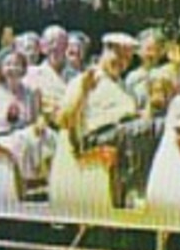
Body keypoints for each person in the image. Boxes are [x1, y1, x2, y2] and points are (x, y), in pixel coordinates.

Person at [57, 33, 162, 209]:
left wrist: (152, 104)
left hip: (125, 134)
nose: (122, 62)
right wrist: (82, 92)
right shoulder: (87, 79)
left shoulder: (124, 87)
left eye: (127, 58)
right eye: (118, 55)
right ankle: (134, 190)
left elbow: (140, 120)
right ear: (106, 51)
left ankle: (152, 188)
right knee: (145, 129)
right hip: (95, 138)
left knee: (162, 126)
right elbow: (63, 119)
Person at [0, 49, 54, 190]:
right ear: (1, 69)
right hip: (2, 136)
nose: (12, 68)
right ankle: (30, 179)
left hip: (27, 133)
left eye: (16, 64)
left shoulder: (32, 92)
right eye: (8, 64)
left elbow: (38, 116)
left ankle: (47, 178)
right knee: (24, 140)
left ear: (23, 68)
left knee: (50, 136)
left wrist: (41, 122)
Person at [25, 25, 71, 123]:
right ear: (43, 48)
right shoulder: (31, 74)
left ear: (67, 46)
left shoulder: (78, 76)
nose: (55, 47)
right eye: (50, 43)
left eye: (60, 43)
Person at [124, 27, 170, 111]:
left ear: (162, 52)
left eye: (156, 49)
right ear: (138, 51)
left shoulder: (166, 73)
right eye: (148, 49)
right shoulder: (132, 77)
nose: (151, 54)